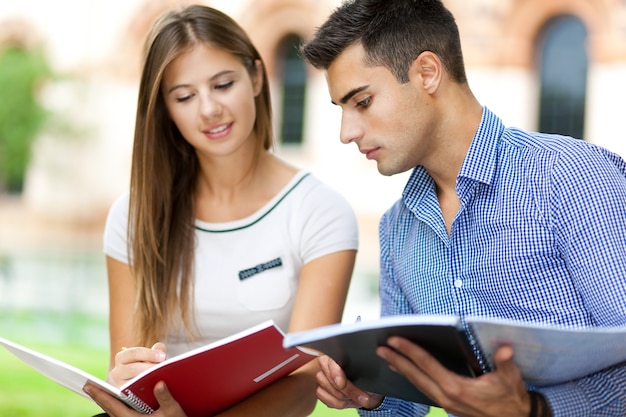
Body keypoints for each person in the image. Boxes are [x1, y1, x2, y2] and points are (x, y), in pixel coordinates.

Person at [299, 0, 626, 416]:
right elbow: (407, 406)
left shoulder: (569, 178)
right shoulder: (397, 229)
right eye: (341, 109)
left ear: (427, 73)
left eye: (361, 102)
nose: (347, 132)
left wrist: (537, 410)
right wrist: (375, 395)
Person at [82, 4, 358, 417]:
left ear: (257, 77)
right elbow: (129, 368)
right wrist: (124, 377)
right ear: (166, 109)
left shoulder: (320, 212)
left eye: (223, 84)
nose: (208, 109)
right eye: (185, 96)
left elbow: (306, 381)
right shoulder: (133, 216)